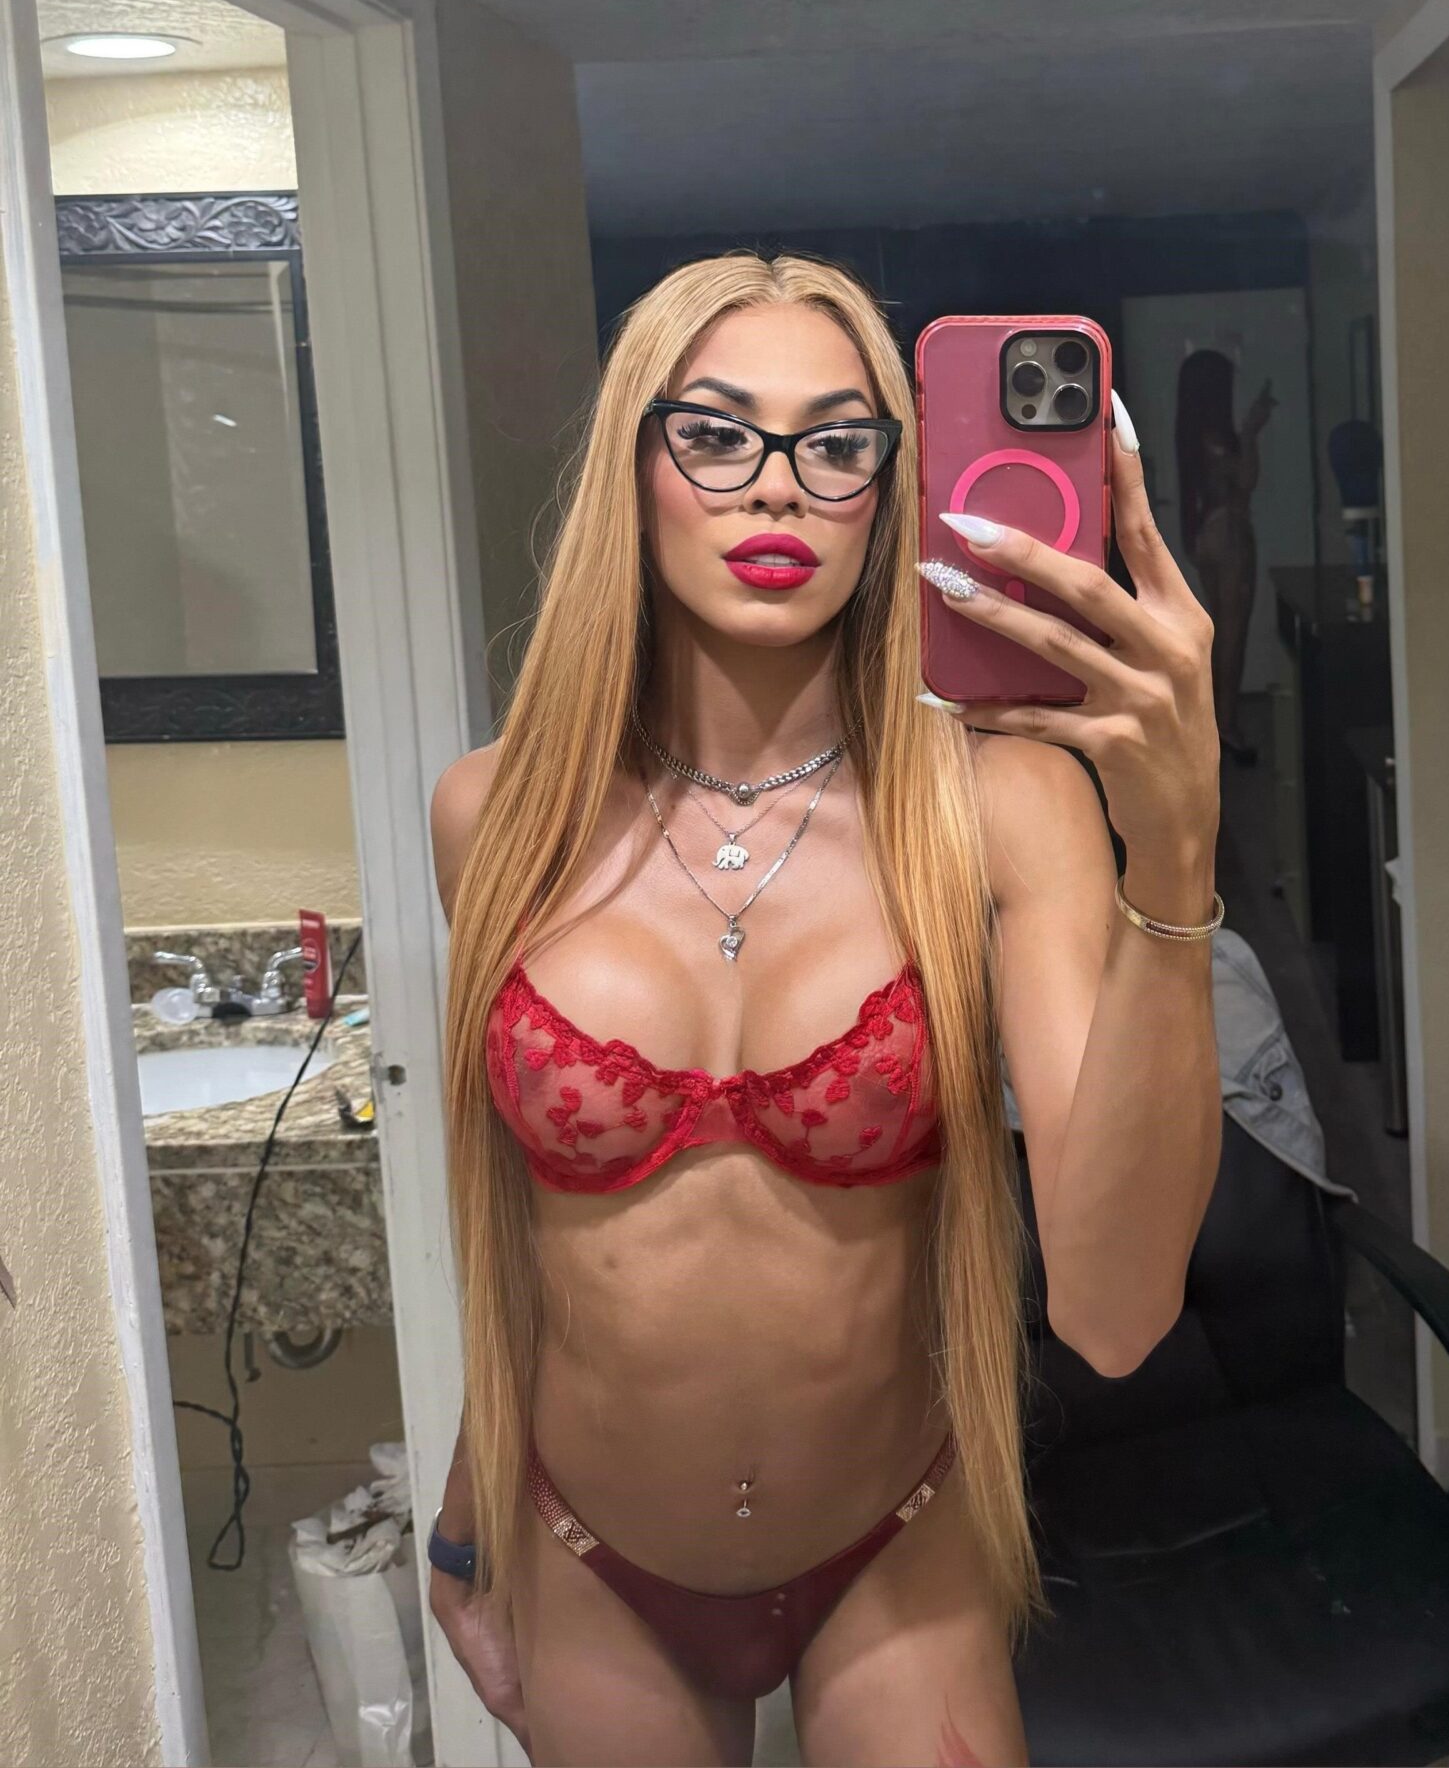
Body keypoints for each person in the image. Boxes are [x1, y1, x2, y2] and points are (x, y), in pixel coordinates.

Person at [427, 254, 1223, 1768]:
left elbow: (1115, 1319)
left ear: (892, 489)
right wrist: (472, 1514)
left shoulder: (1001, 807)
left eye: (837, 442)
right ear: (632, 469)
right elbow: (527, 1236)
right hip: (584, 1550)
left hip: (899, 1550)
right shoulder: (496, 814)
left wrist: (1174, 851)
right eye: (715, 433)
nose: (777, 485)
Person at [1173, 347, 1275, 766]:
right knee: (1233, 634)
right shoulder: (1216, 437)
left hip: (1207, 531)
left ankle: (1215, 723)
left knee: (1221, 631)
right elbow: (1245, 480)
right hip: (1228, 532)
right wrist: (1251, 431)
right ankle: (1226, 726)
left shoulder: (1192, 432)